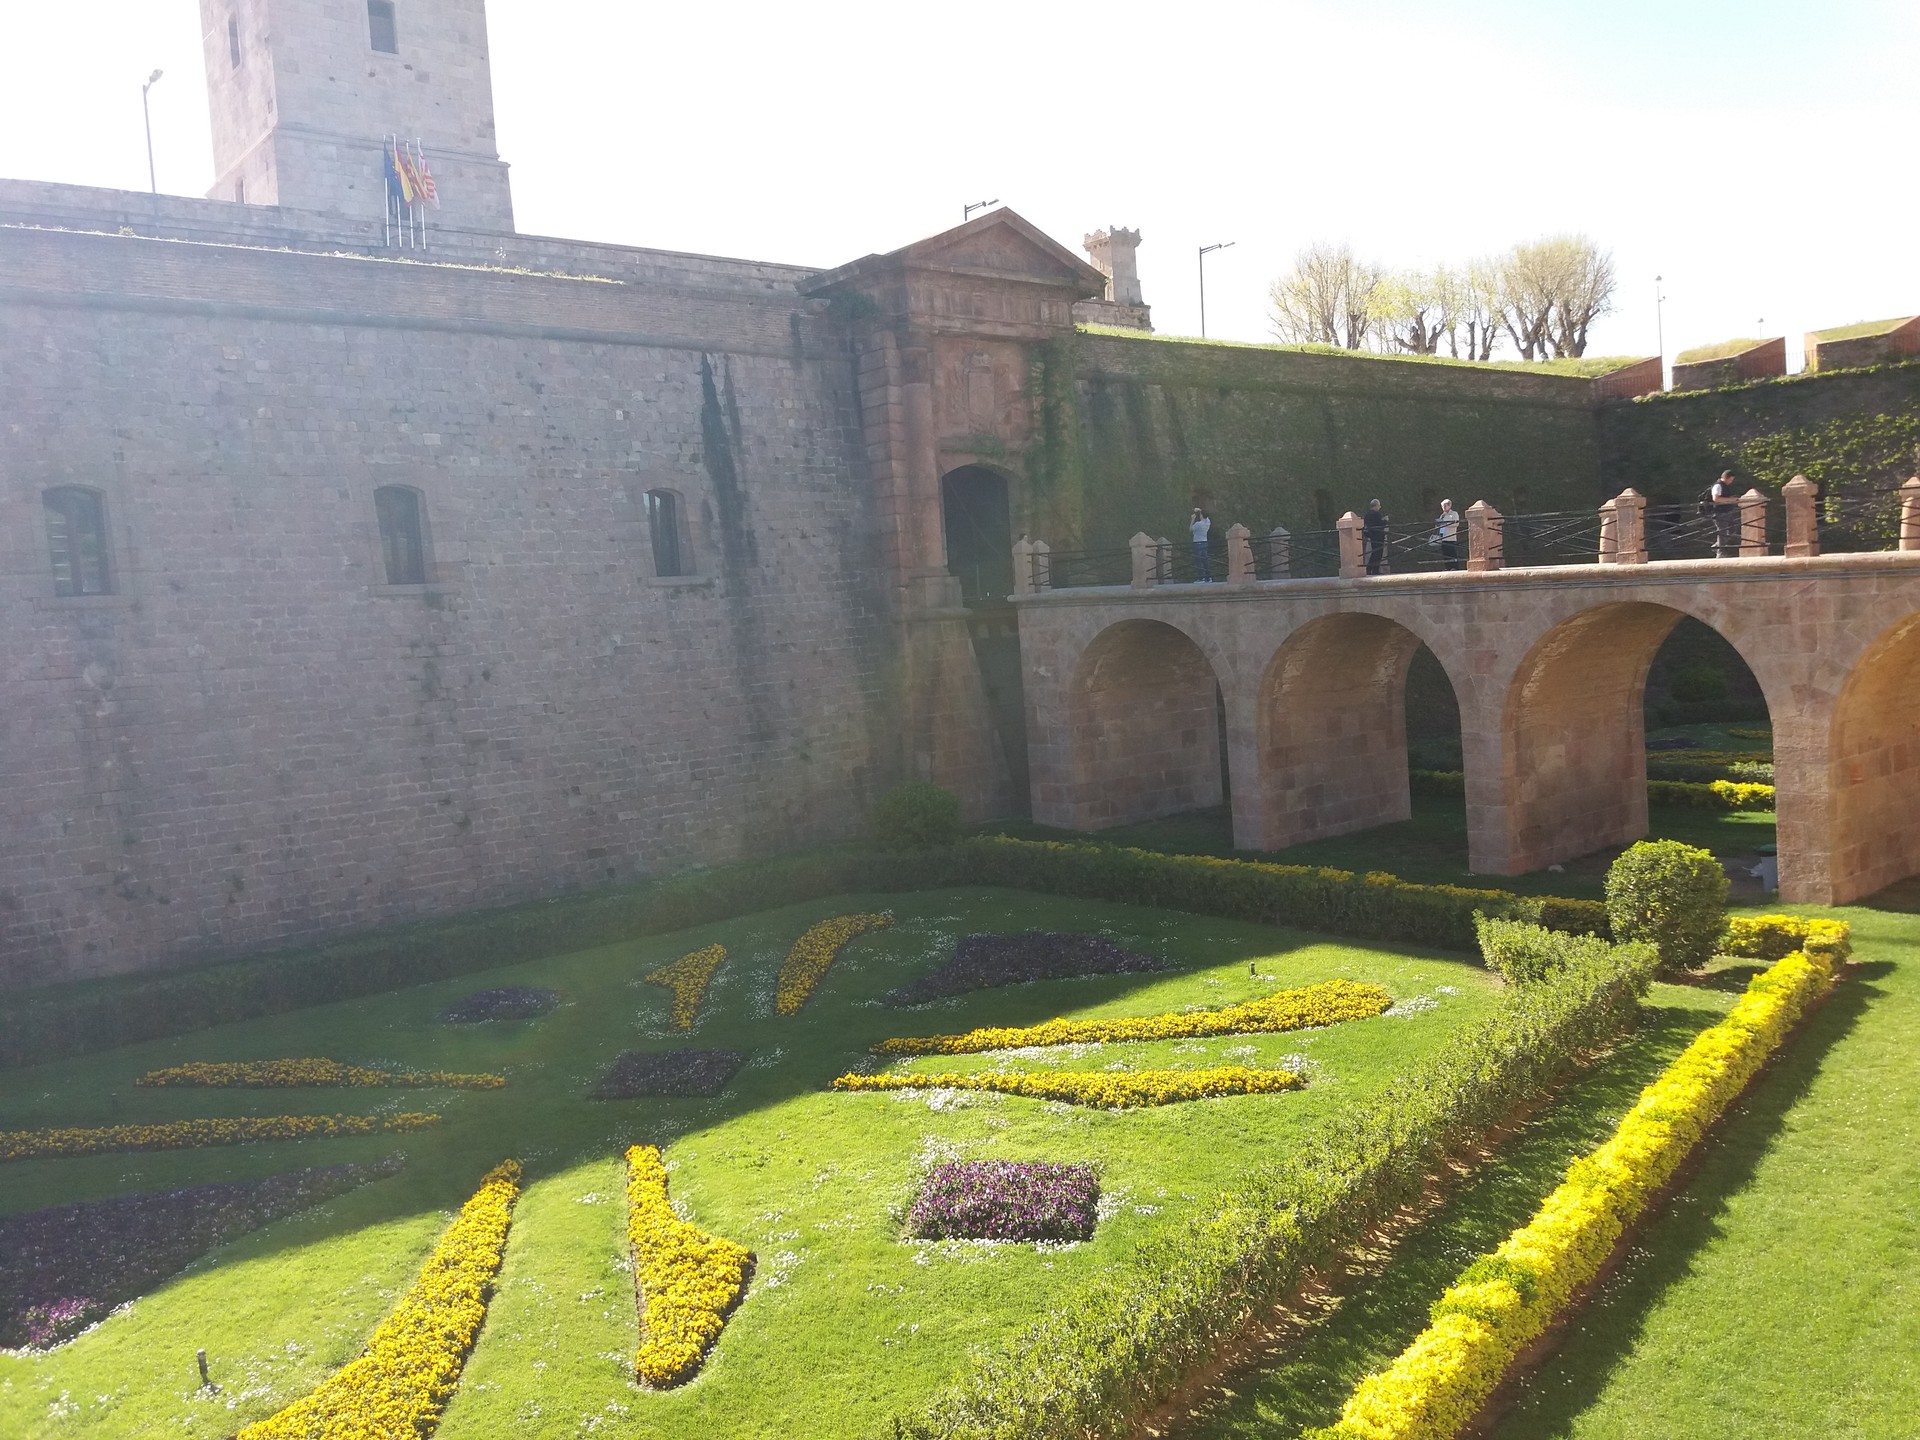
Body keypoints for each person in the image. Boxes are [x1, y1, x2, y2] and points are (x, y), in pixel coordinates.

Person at [1709, 469, 1741, 558]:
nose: (1731, 482)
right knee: (1722, 531)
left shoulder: (1725, 486)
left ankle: (1717, 546)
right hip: (1719, 512)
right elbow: (1716, 499)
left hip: (1727, 512)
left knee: (1732, 530)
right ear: (1726, 478)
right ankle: (1720, 551)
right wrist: (1732, 499)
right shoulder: (1718, 486)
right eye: (1730, 480)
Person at [1433, 498, 1461, 569]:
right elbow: (1439, 525)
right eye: (1442, 506)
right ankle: (1448, 567)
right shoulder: (1442, 515)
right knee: (1445, 554)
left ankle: (1454, 567)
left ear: (1449, 505)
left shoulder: (1454, 513)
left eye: (1445, 506)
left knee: (1452, 553)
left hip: (1450, 537)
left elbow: (1456, 524)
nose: (1443, 508)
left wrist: (1446, 524)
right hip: (1443, 537)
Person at [1363, 499, 1388, 575]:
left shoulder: (1367, 515)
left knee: (1374, 553)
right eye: (1379, 506)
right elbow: (1380, 525)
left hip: (1372, 536)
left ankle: (1370, 569)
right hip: (1378, 536)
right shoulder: (1377, 514)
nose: (1380, 507)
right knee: (1378, 553)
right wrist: (1385, 520)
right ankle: (1374, 570)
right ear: (1376, 505)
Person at [1190, 507, 1212, 582]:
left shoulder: (1198, 524)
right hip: (1204, 542)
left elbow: (1190, 529)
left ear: (1201, 515)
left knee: (1198, 561)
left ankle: (1201, 578)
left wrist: (1193, 519)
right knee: (1205, 560)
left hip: (1197, 543)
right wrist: (1199, 511)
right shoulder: (1208, 522)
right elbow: (1206, 516)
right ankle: (1208, 577)